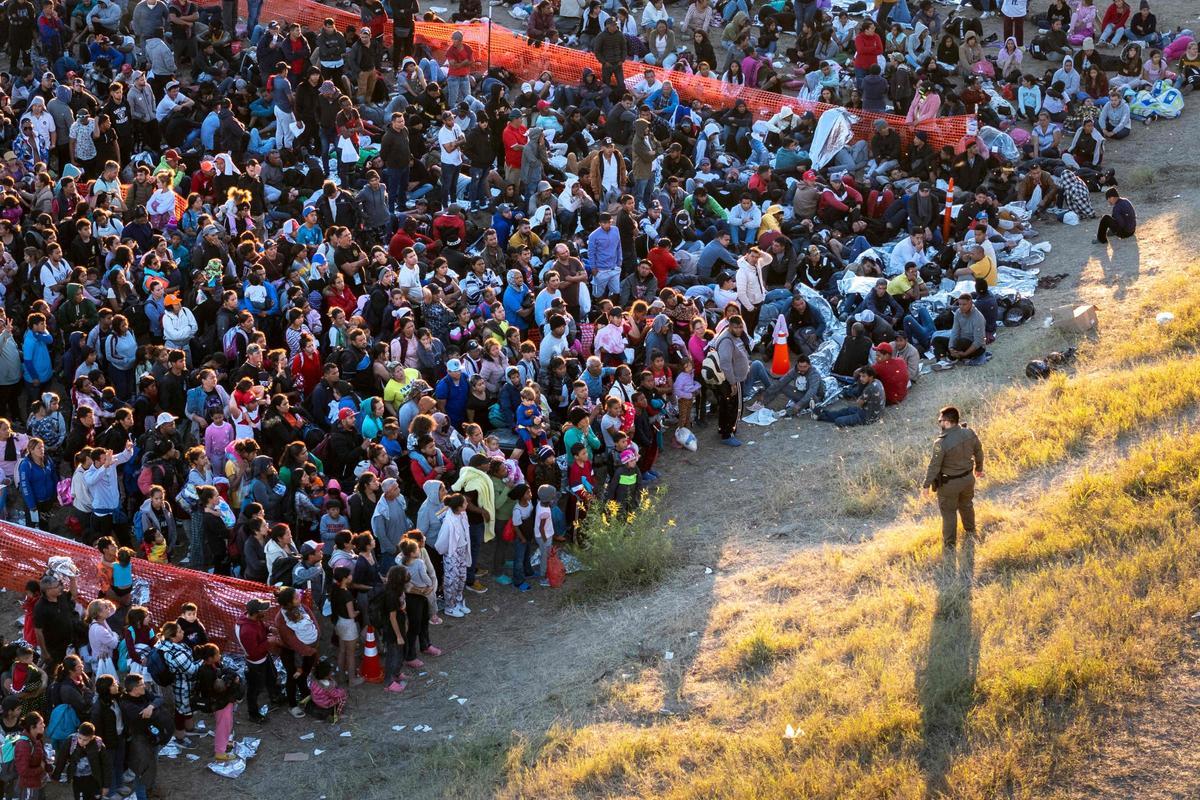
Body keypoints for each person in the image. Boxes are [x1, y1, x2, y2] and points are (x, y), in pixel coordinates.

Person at [922, 405, 984, 548]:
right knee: (967, 505)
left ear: (947, 421)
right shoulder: (969, 433)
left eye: (940, 421)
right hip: (968, 479)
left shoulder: (941, 443)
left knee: (949, 514)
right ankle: (971, 531)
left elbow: (934, 466)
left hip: (949, 485)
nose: (940, 423)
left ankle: (949, 545)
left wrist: (926, 485)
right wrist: (979, 468)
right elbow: (979, 451)